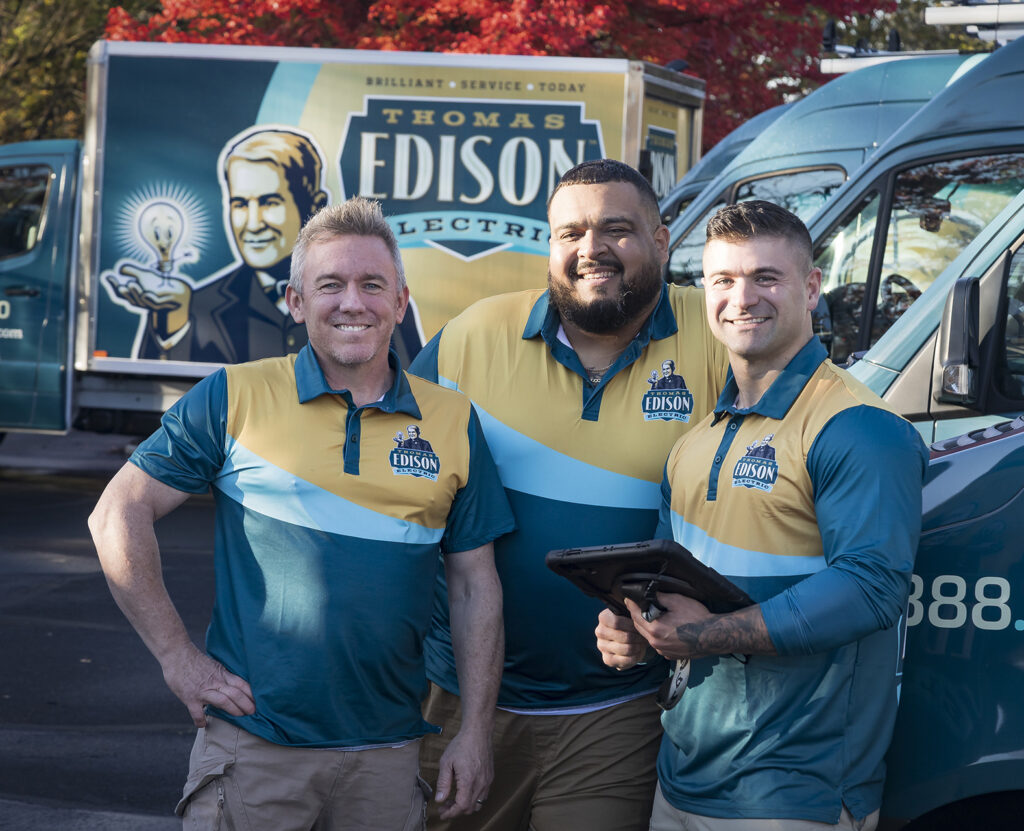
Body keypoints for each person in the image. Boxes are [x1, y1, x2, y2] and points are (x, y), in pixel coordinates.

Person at [89, 197, 515, 830]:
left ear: (400, 303)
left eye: (373, 285)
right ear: (295, 302)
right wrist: (178, 658)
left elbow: (475, 584)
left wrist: (475, 730)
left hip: (390, 756)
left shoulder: (453, 420)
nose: (352, 303)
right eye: (330, 285)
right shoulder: (235, 396)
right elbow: (116, 513)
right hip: (254, 749)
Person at [409, 159, 730, 830]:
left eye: (618, 228)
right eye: (571, 232)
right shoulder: (470, 338)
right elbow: (390, 482)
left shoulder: (721, 337)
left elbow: (781, 473)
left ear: (664, 241)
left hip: (615, 710)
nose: (592, 250)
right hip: (460, 702)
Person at [596, 200, 929, 831]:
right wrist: (639, 630)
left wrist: (707, 635)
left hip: (796, 793)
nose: (741, 298)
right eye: (723, 280)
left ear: (810, 287)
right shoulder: (695, 440)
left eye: (765, 278)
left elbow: (873, 587)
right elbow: (667, 585)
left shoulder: (859, 428)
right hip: (682, 779)